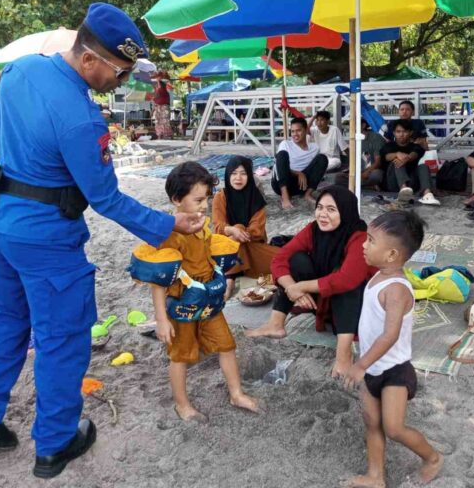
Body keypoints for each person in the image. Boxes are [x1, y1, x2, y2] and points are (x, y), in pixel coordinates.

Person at [0, 3, 205, 479]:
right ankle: (55, 443)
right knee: (61, 338)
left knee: (6, 320)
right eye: (120, 72)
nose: (123, 82)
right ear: (90, 58)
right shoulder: (82, 119)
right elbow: (106, 199)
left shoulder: (18, 71)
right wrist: (169, 224)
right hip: (46, 238)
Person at [152, 161, 260, 422]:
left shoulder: (203, 225)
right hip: (182, 302)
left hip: (208, 299)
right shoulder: (169, 235)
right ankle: (182, 404)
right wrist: (161, 319)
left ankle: (236, 393)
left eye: (207, 199)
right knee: (181, 355)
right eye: (198, 200)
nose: (204, 206)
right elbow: (158, 280)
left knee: (226, 344)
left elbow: (210, 255)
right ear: (177, 199)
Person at [342, 210, 443, 487]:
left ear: (392, 255)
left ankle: (433, 458)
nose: (364, 245)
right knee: (371, 421)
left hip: (395, 371)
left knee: (394, 428)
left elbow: (389, 335)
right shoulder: (377, 276)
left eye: (371, 241)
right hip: (371, 366)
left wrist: (360, 365)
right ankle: (376, 476)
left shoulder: (397, 288)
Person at [246, 186, 376, 377]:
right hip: (325, 298)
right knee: (296, 260)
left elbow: (347, 280)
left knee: (344, 281)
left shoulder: (359, 237)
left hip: (355, 306)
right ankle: (276, 324)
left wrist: (302, 286)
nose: (323, 214)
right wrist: (292, 288)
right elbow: (280, 259)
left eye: (331, 210)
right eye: (320, 207)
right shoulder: (313, 230)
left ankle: (343, 354)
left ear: (345, 211)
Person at [212, 156, 280, 299]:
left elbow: (257, 230)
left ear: (249, 176)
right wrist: (231, 230)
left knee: (285, 264)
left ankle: (233, 277)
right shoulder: (220, 197)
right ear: (228, 175)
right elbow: (218, 226)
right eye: (234, 173)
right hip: (225, 250)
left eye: (243, 173)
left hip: (252, 247)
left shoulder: (256, 198)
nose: (238, 178)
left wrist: (239, 232)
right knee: (236, 229)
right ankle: (231, 279)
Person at [271, 117, 328, 209]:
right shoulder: (285, 144)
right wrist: (298, 173)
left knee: (323, 158)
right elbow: (278, 166)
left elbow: (316, 170)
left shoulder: (315, 148)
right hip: (281, 183)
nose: (295, 134)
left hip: (302, 185)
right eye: (292, 131)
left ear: (306, 130)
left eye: (298, 131)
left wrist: (303, 174)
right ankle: (285, 197)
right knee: (281, 154)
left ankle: (308, 194)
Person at [381, 119, 439, 205]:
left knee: (423, 166)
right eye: (398, 131)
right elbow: (386, 157)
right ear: (394, 133)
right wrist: (397, 154)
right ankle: (403, 191)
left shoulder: (415, 146)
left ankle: (427, 194)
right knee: (397, 161)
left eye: (404, 131)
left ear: (410, 132)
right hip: (393, 183)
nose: (401, 134)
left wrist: (407, 158)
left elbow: (415, 153)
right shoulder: (388, 146)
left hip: (412, 183)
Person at [153, 72, 173, 139]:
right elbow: (154, 96)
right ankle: (159, 134)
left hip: (164, 104)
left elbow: (159, 92)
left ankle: (166, 134)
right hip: (157, 105)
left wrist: (158, 80)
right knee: (157, 120)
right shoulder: (155, 85)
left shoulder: (163, 84)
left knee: (165, 120)